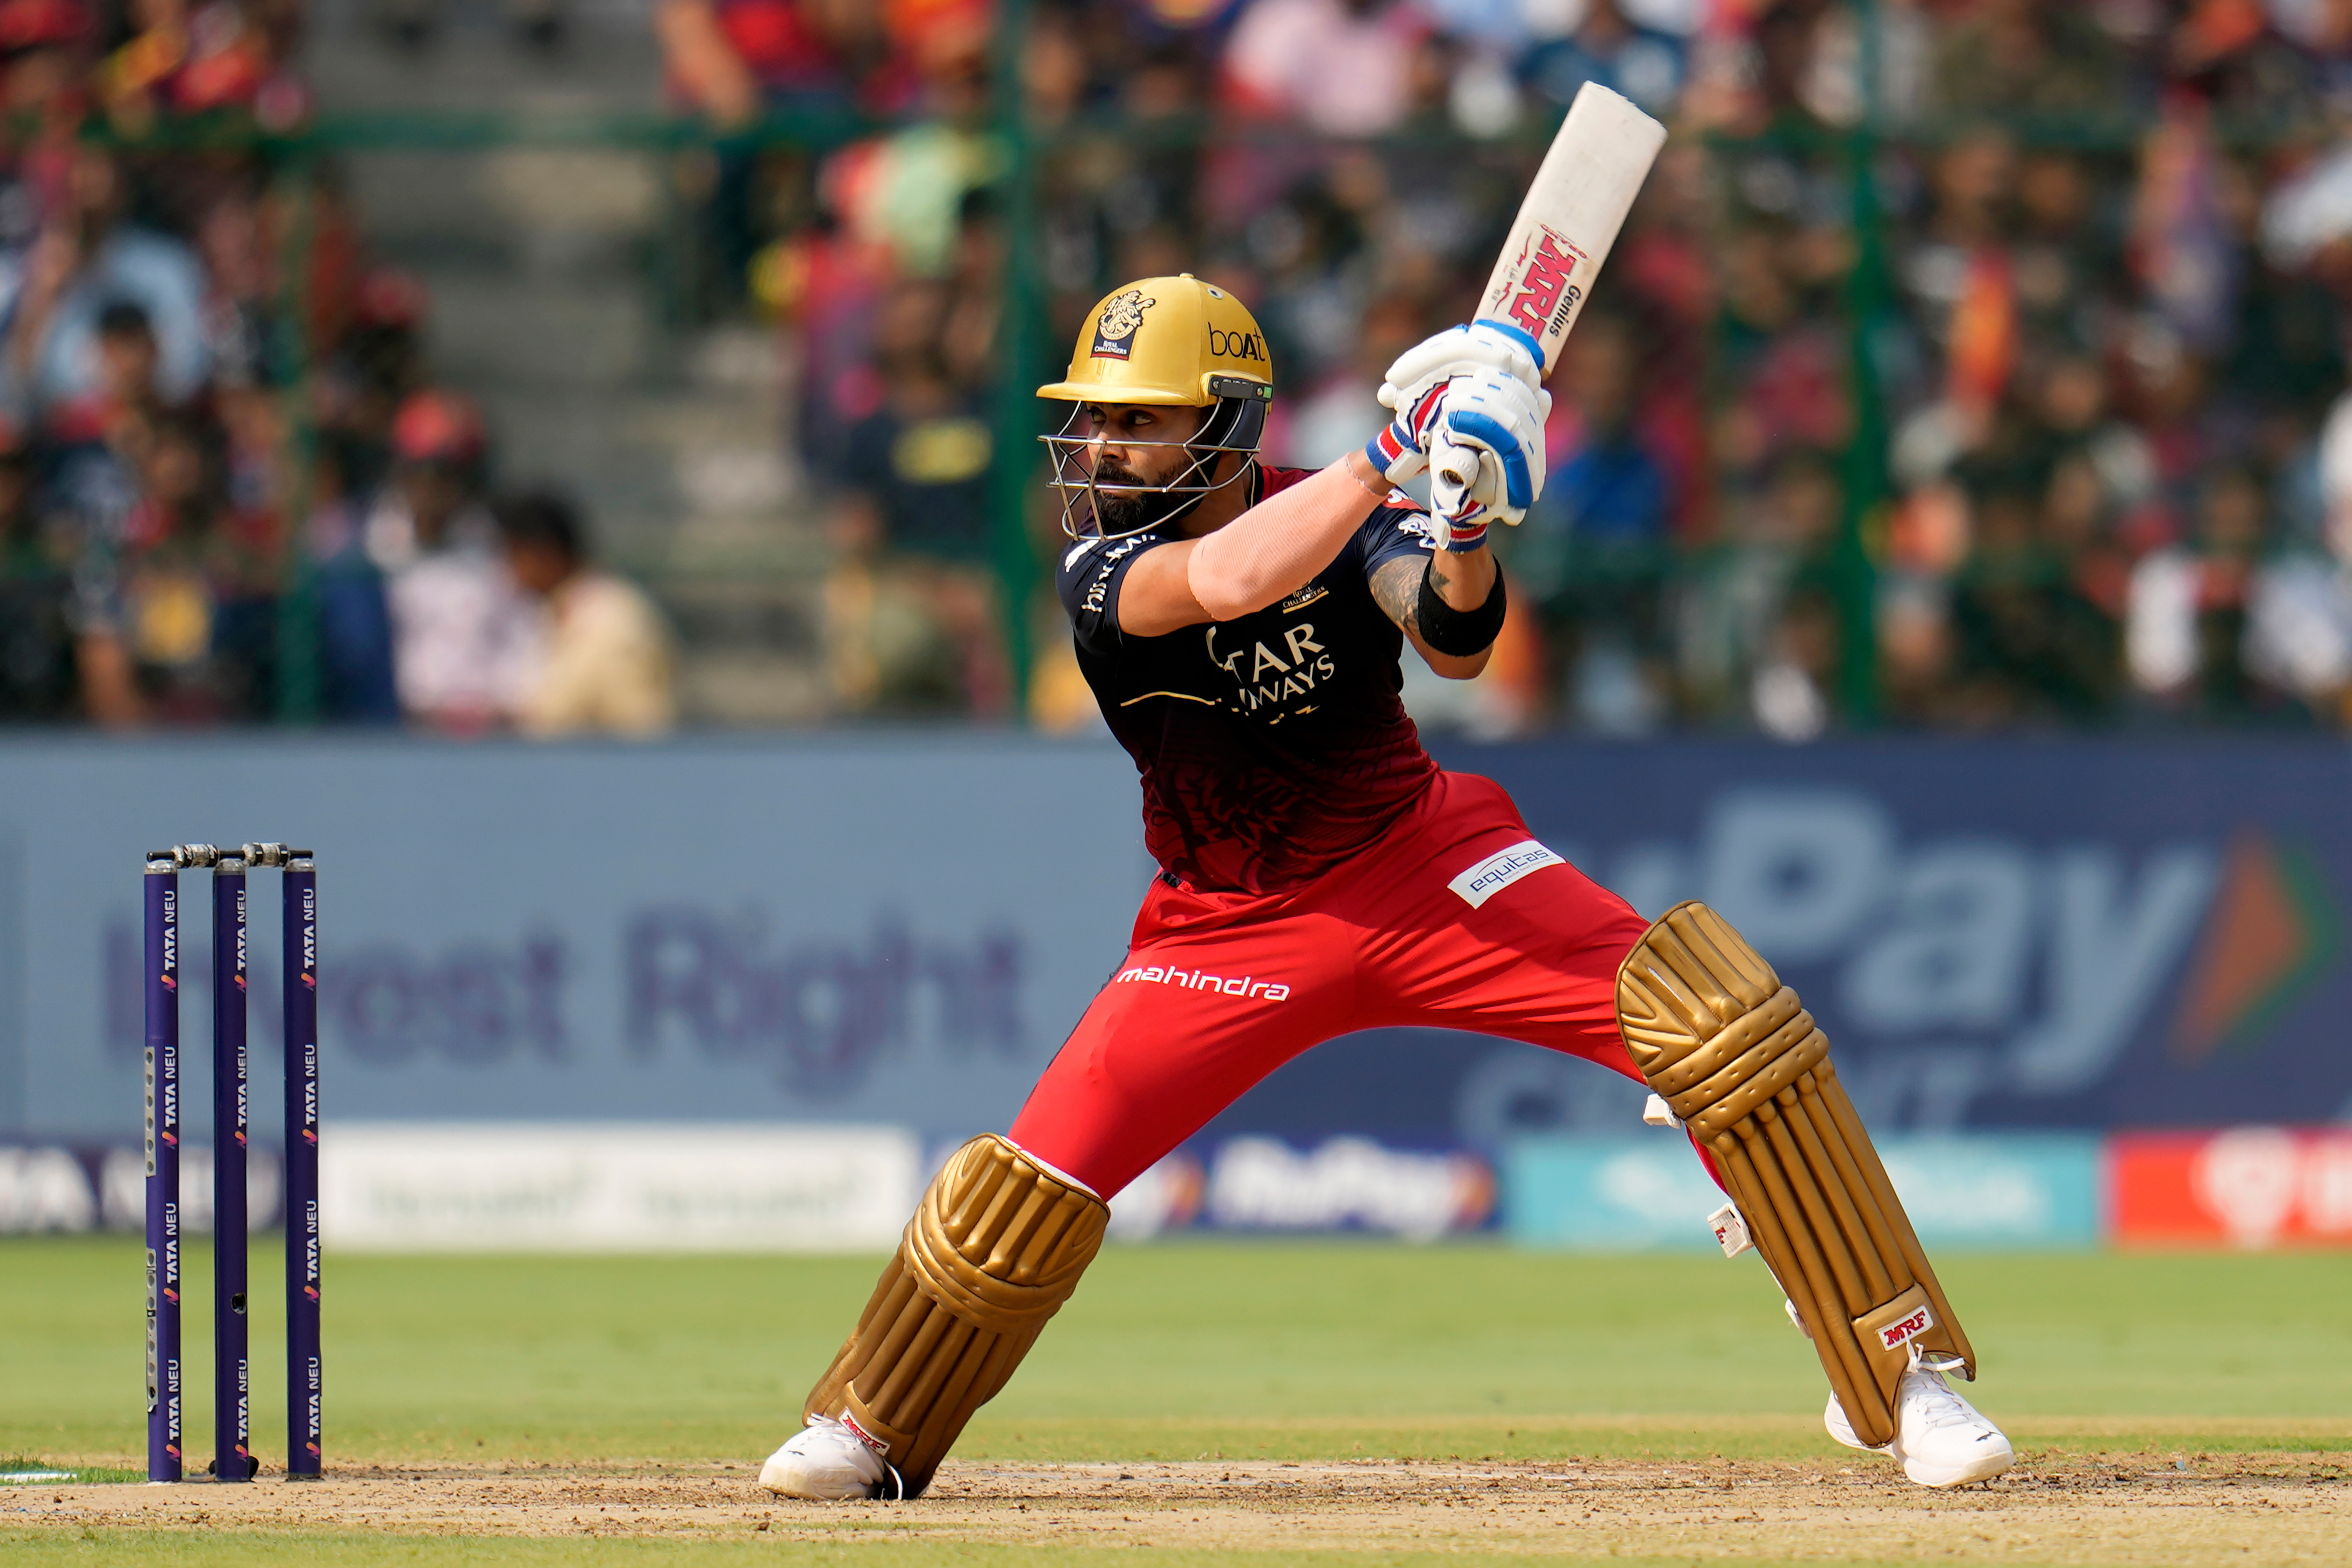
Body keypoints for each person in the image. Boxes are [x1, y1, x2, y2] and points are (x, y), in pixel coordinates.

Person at [757, 275, 2015, 1503]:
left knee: (1714, 1018)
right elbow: (1228, 583)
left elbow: (1453, 636)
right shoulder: (1097, 571)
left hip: (1425, 866)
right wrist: (1391, 453)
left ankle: (1904, 1376)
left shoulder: (1353, 516)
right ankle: (868, 1422)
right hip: (1227, 923)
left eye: (1138, 418)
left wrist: (1459, 524)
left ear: (1228, 424)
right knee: (1032, 1176)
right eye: (1096, 416)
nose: (1102, 443)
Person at [494, 487, 678, 737]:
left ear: (543, 553)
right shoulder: (560, 614)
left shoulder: (611, 618)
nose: (508, 572)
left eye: (513, 556)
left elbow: (554, 715)